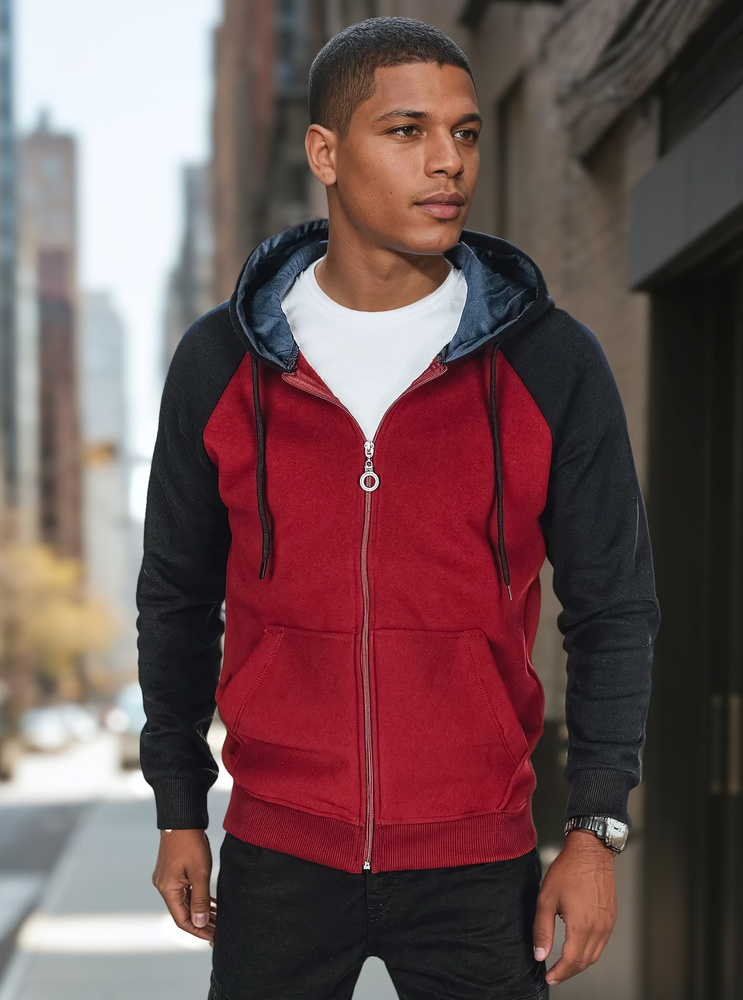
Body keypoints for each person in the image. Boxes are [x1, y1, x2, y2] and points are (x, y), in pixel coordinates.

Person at [137, 15, 660, 1000]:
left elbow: (613, 608)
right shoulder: (222, 363)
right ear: (325, 153)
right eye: (407, 131)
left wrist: (595, 829)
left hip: (478, 863)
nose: (447, 161)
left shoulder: (549, 361)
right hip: (279, 854)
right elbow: (175, 598)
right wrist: (177, 808)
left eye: (465, 133)